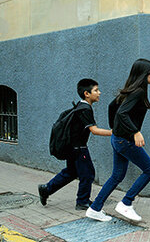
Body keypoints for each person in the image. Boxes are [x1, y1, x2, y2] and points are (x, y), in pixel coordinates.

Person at [86, 58, 150, 222]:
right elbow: (121, 113)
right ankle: (126, 203)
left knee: (117, 176)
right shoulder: (138, 92)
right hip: (125, 141)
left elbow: (112, 107)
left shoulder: (130, 90)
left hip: (118, 139)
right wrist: (135, 132)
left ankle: (95, 208)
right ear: (144, 74)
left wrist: (114, 129)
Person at [38, 79, 112, 210]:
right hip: (79, 149)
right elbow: (94, 130)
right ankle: (82, 201)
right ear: (86, 94)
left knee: (71, 172)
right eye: (96, 90)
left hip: (72, 148)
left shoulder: (79, 106)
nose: (99, 93)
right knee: (88, 174)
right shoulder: (85, 109)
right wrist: (114, 132)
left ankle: (46, 189)